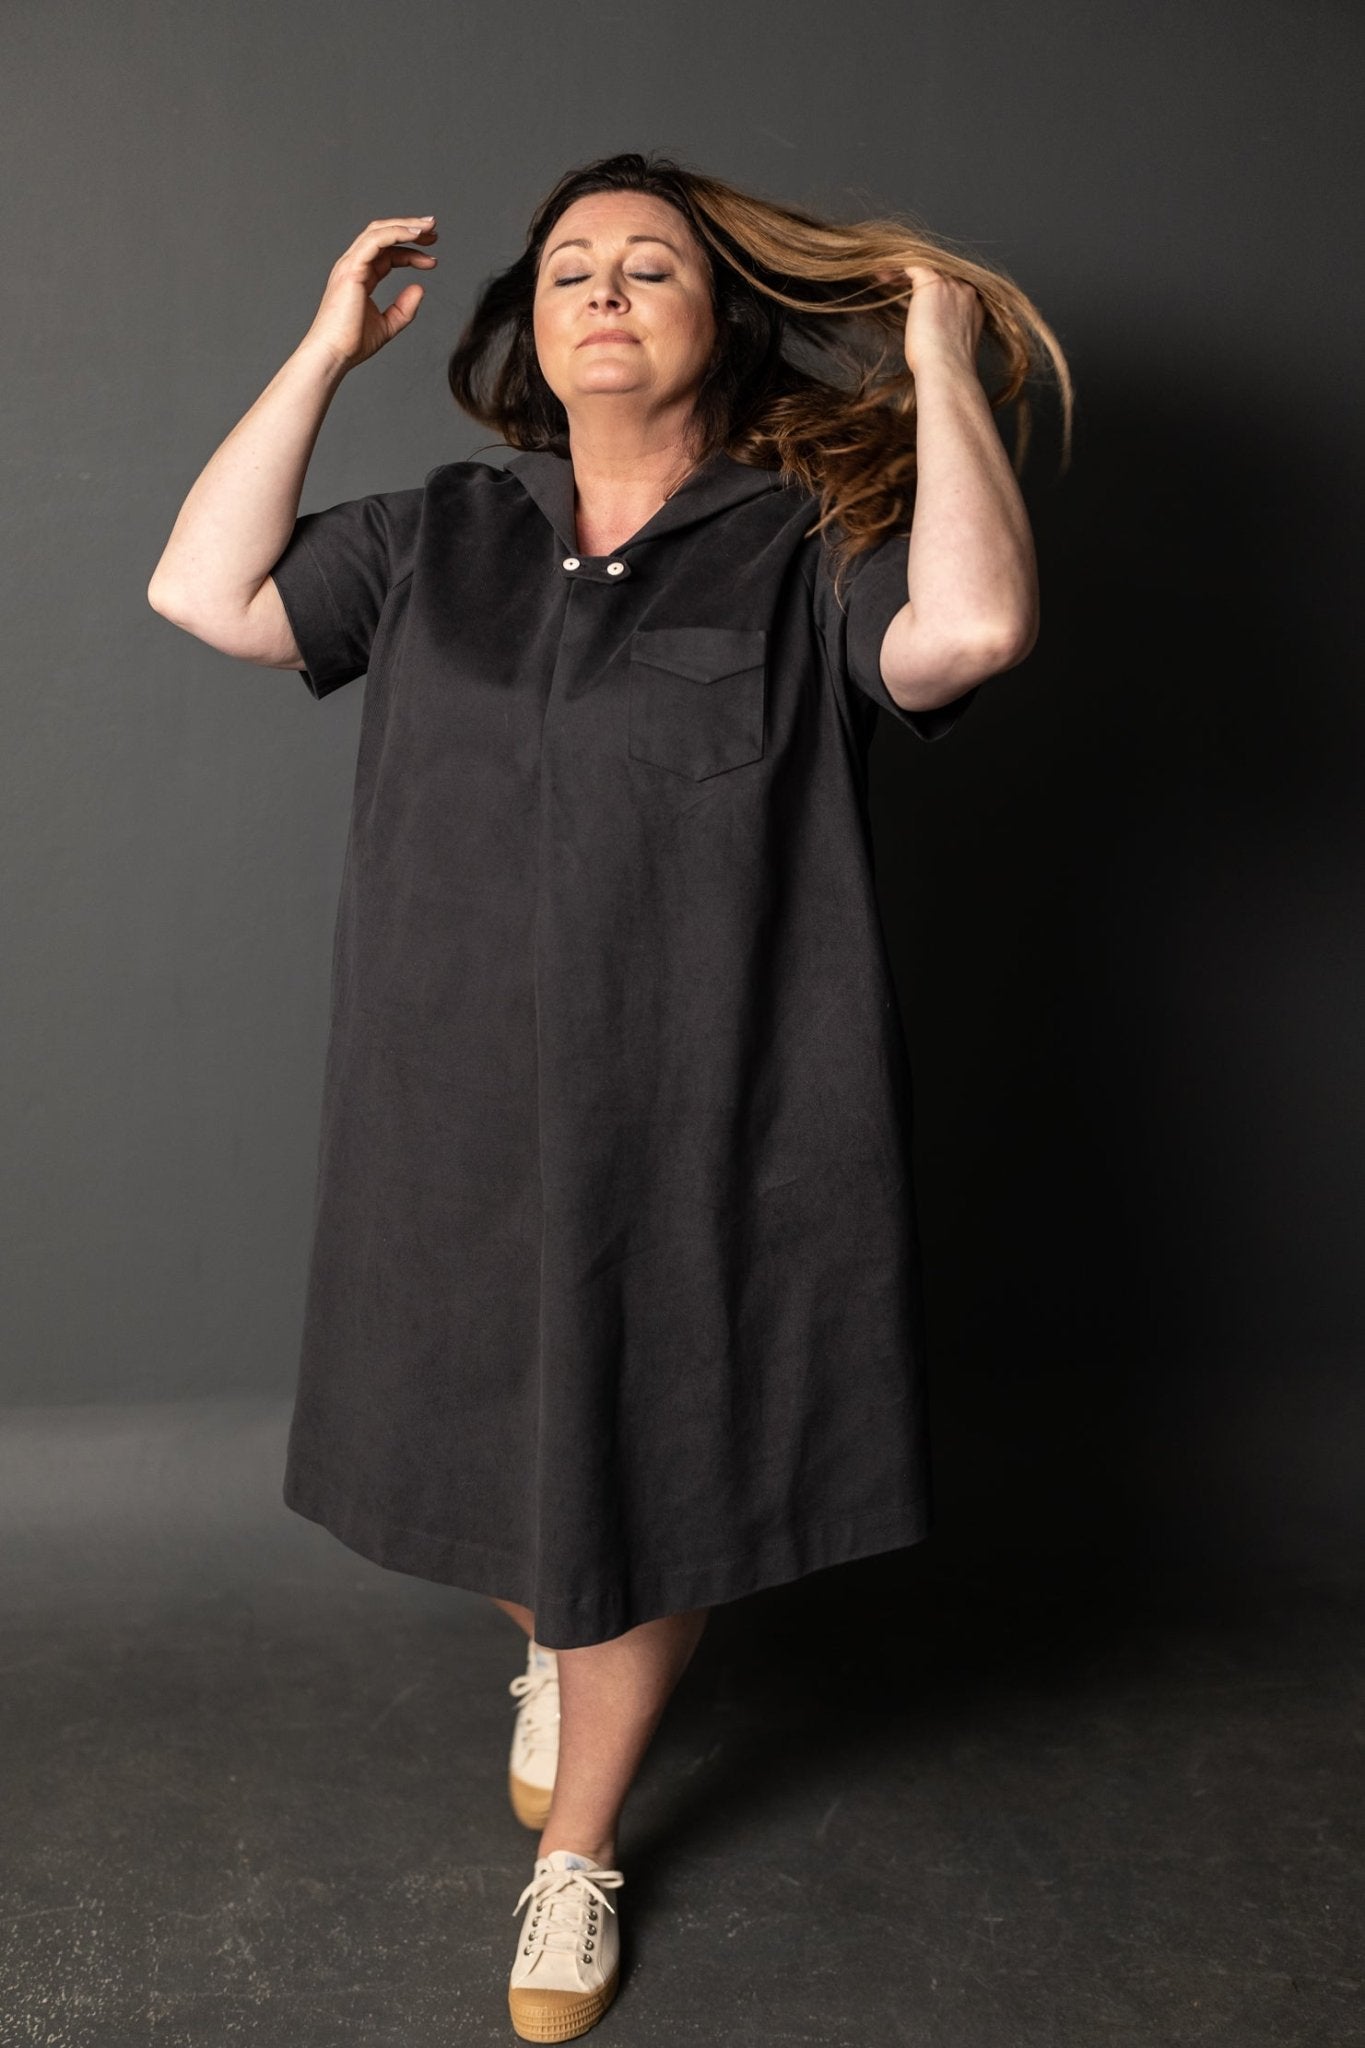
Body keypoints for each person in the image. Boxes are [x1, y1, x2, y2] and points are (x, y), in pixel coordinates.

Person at [147, 150, 1071, 2043]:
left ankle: (578, 1851)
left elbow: (971, 633)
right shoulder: (441, 532)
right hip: (452, 1112)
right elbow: (202, 589)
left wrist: (939, 362)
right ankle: (561, 1655)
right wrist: (323, 349)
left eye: (651, 267)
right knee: (506, 1481)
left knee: (642, 1479)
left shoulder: (805, 542)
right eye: (572, 266)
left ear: (717, 324)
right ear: (529, 330)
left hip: (707, 1117)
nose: (606, 290)